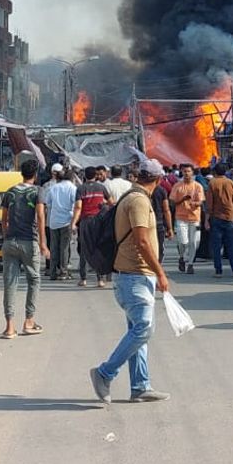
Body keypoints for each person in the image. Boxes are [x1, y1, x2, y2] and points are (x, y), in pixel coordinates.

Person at [89, 156, 170, 404]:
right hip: (134, 274)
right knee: (144, 327)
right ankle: (104, 373)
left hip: (134, 274)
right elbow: (142, 240)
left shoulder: (134, 196)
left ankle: (140, 385)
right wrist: (160, 272)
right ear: (157, 180)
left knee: (138, 331)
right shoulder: (138, 201)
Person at [0, 155, 49, 338]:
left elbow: (3, 219)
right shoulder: (38, 191)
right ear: (35, 175)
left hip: (10, 242)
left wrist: (7, 237)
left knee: (10, 283)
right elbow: (41, 217)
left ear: (21, 174)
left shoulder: (10, 192)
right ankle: (29, 321)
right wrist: (43, 243)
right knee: (34, 280)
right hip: (29, 241)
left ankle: (9, 327)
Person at [72, 165, 108, 287]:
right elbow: (111, 201)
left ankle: (83, 279)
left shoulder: (81, 189)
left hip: (85, 221)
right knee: (98, 249)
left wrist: (73, 223)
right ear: (95, 176)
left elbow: (78, 207)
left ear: (84, 176)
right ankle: (100, 279)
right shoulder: (101, 188)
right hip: (99, 221)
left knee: (84, 249)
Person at [205, 162, 233, 277]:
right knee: (230, 244)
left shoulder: (212, 183)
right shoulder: (231, 183)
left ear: (215, 172)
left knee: (217, 245)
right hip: (230, 216)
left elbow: (209, 204)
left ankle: (218, 271)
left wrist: (206, 219)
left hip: (216, 216)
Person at [169, 163, 205, 273]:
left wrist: (195, 203)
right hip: (181, 218)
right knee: (183, 241)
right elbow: (173, 202)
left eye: (189, 171)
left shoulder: (198, 186)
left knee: (194, 243)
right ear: (182, 172)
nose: (186, 173)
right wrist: (183, 199)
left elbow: (201, 201)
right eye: (184, 171)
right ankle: (181, 257)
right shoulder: (177, 186)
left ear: (192, 173)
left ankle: (190, 264)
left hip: (194, 218)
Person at [46, 163, 77, 280]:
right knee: (64, 247)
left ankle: (52, 272)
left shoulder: (53, 187)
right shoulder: (72, 188)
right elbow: (76, 205)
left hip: (53, 221)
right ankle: (63, 272)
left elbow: (48, 203)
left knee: (54, 247)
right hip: (66, 221)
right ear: (72, 178)